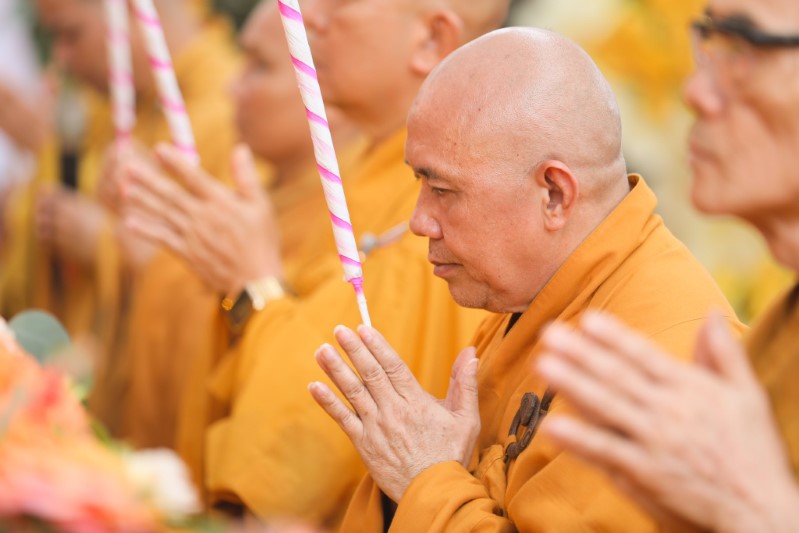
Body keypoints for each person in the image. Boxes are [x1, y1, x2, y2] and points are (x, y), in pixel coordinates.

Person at [309, 27, 743, 531]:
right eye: (419, 181)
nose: (419, 221)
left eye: (443, 190)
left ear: (554, 194)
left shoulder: (660, 371)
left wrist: (424, 478)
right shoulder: (540, 291)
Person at [120, 0, 508, 526]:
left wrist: (253, 288)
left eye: (338, 2)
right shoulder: (364, 175)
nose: (309, 19)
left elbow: (297, 462)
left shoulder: (436, 226)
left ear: (430, 39)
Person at [529, 0, 799, 530]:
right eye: (710, 44)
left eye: (743, 46)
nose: (694, 92)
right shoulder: (772, 343)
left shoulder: (678, 325)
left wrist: (764, 512)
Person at [117, 0, 361, 454]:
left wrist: (162, 269)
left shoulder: (357, 223)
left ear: (331, 87)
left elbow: (308, 403)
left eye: (259, 66)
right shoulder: (258, 194)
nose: (232, 86)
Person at [0, 0, 240, 436]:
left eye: (71, 35)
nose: (61, 58)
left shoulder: (228, 109)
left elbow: (230, 282)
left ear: (130, 11)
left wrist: (102, 242)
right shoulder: (112, 109)